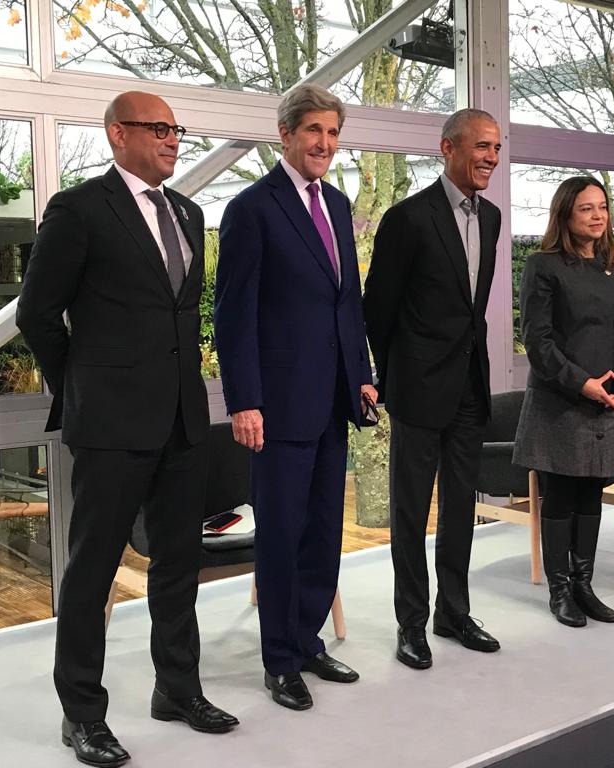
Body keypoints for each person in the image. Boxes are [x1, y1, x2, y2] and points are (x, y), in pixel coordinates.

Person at [17, 91, 237, 768]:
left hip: (182, 421)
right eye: (159, 128)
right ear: (118, 134)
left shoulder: (189, 212)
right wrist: (84, 387)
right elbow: (36, 314)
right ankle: (83, 714)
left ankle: (178, 689)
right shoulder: (80, 210)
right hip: (111, 424)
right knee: (92, 572)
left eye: (177, 129)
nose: (173, 139)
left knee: (179, 563)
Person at [214, 84, 376, 712]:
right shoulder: (252, 208)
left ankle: (307, 639)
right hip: (277, 405)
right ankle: (279, 660)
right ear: (285, 134)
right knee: (281, 534)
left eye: (333, 133)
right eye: (314, 130)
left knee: (323, 530)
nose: (325, 144)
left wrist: (361, 374)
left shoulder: (336, 203)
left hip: (333, 398)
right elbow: (234, 315)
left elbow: (347, 302)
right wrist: (243, 400)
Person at [363, 108, 502, 670]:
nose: (491, 157)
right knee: (411, 511)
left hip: (469, 387)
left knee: (461, 506)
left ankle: (454, 612)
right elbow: (378, 309)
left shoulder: (492, 218)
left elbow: (472, 310)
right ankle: (411, 623)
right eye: (482, 146)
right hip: (417, 388)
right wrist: (393, 376)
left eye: (497, 147)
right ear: (448, 148)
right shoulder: (408, 218)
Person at [512, 177, 614, 628]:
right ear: (566, 214)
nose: (597, 215)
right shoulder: (543, 265)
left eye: (602, 207)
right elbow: (538, 340)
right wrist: (581, 383)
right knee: (560, 495)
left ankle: (584, 585)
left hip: (610, 399)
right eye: (587, 208)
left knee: (592, 492)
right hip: (561, 400)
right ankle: (559, 590)